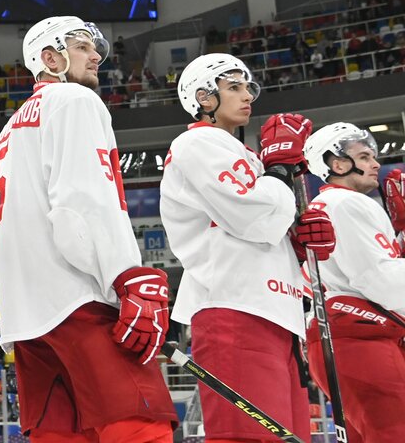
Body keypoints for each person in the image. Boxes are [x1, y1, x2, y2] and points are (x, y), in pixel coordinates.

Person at [0, 15, 177, 443]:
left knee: (64, 435)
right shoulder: (74, 99)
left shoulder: (6, 130)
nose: (96, 56)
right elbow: (81, 202)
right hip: (81, 297)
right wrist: (126, 275)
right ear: (50, 58)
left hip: (29, 319)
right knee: (139, 425)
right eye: (81, 46)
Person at [159, 53, 336, 442]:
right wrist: (278, 169)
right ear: (204, 98)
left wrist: (300, 238)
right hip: (233, 308)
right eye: (233, 87)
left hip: (277, 313)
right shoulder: (197, 142)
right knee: (250, 438)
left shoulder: (247, 157)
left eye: (248, 87)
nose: (247, 96)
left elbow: (268, 223)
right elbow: (252, 215)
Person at [301, 124, 405, 443]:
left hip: (342, 340)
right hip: (362, 341)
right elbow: (381, 282)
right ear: (338, 164)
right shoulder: (347, 203)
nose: (376, 163)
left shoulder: (326, 206)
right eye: (364, 156)